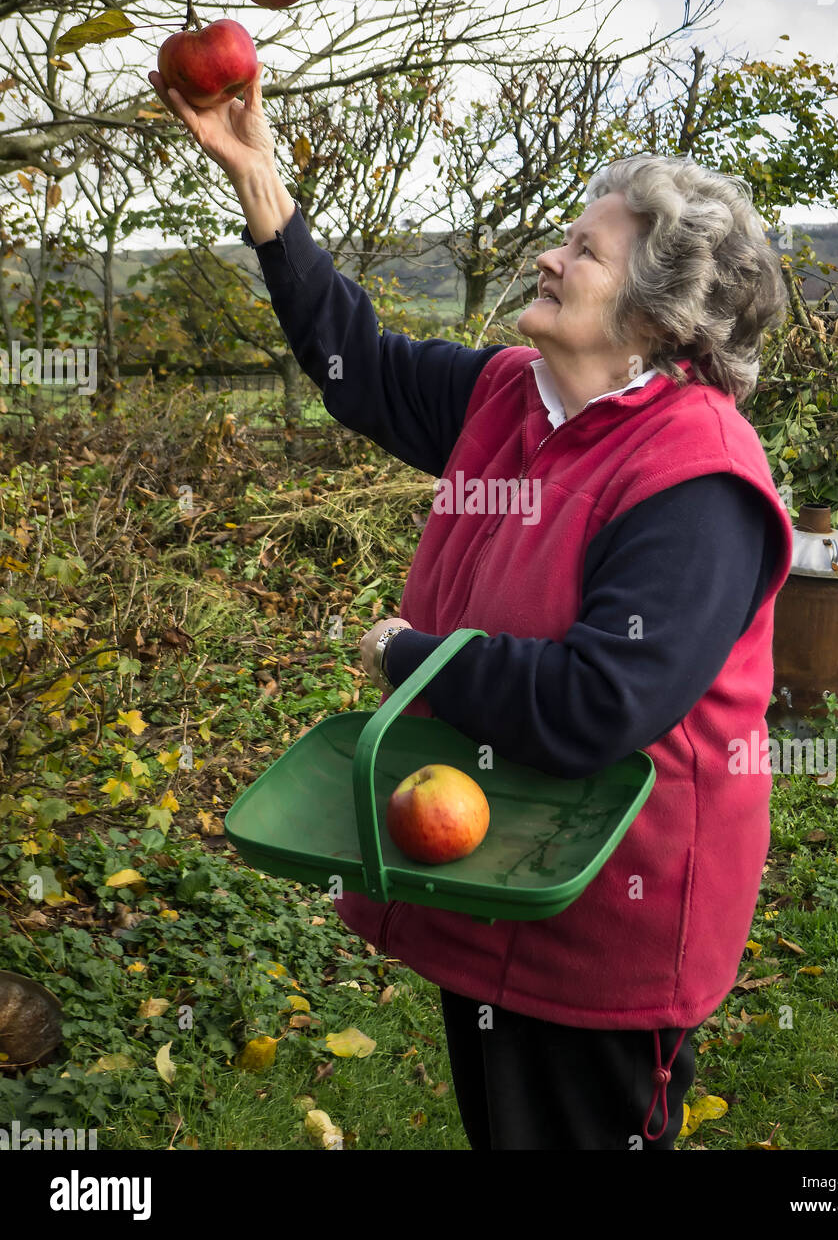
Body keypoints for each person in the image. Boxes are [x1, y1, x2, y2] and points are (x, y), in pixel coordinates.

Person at [148, 64, 795, 1151]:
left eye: (583, 250)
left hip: (604, 912)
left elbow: (598, 702)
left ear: (654, 310)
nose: (551, 254)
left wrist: (415, 656)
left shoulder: (696, 477)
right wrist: (261, 182)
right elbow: (359, 367)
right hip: (497, 867)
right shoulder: (514, 397)